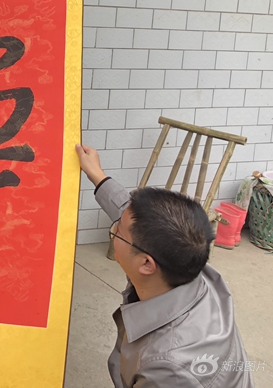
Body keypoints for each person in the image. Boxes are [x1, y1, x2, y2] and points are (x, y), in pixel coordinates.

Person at [76, 144, 254, 388]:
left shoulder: (167, 369)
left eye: (117, 231)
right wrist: (96, 173)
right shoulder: (185, 258)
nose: (114, 229)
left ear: (147, 264)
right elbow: (129, 215)